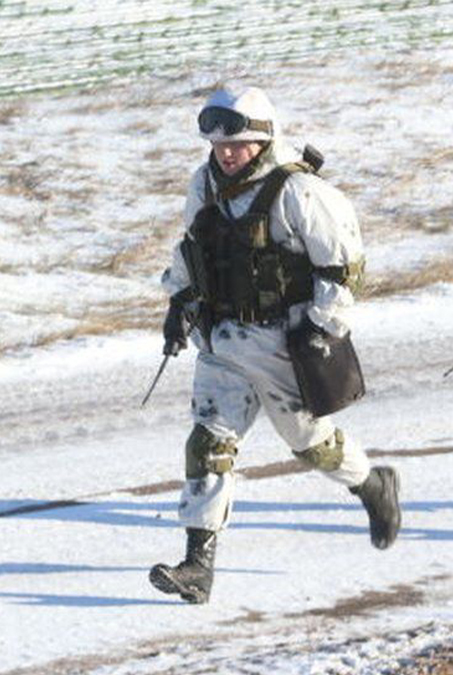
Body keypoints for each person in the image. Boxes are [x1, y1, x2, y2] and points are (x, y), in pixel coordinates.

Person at [150, 85, 401, 603]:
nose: (226, 152)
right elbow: (190, 249)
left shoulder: (301, 194)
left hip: (283, 345)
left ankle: (373, 485)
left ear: (263, 140)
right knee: (208, 443)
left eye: (238, 144)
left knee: (312, 446)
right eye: (219, 143)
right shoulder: (205, 185)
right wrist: (178, 303)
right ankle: (198, 563)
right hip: (222, 344)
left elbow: (343, 268)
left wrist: (322, 327)